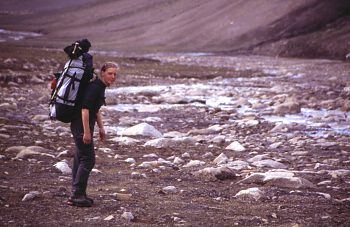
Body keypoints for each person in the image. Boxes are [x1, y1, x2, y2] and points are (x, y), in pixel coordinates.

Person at [68, 62, 118, 207]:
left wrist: (101, 128)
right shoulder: (95, 87)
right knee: (88, 160)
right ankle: (77, 195)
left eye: (115, 74)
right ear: (102, 73)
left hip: (82, 126)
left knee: (80, 158)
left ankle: (77, 193)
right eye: (110, 73)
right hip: (80, 126)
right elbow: (85, 109)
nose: (113, 76)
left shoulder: (100, 87)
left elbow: (95, 109)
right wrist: (87, 132)